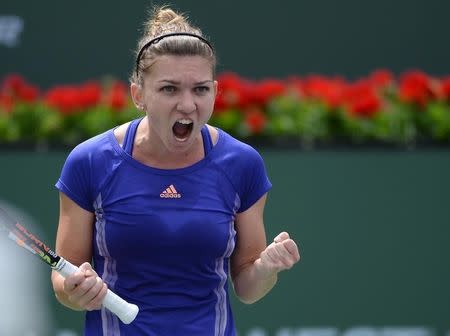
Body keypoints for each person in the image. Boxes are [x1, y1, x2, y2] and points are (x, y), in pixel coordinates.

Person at [51, 6, 300, 336]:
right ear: (139, 94)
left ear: (214, 91)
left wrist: (267, 268)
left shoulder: (242, 164)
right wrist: (76, 290)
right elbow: (63, 278)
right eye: (169, 89)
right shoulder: (90, 162)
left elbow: (247, 285)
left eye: (200, 89)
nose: (187, 104)